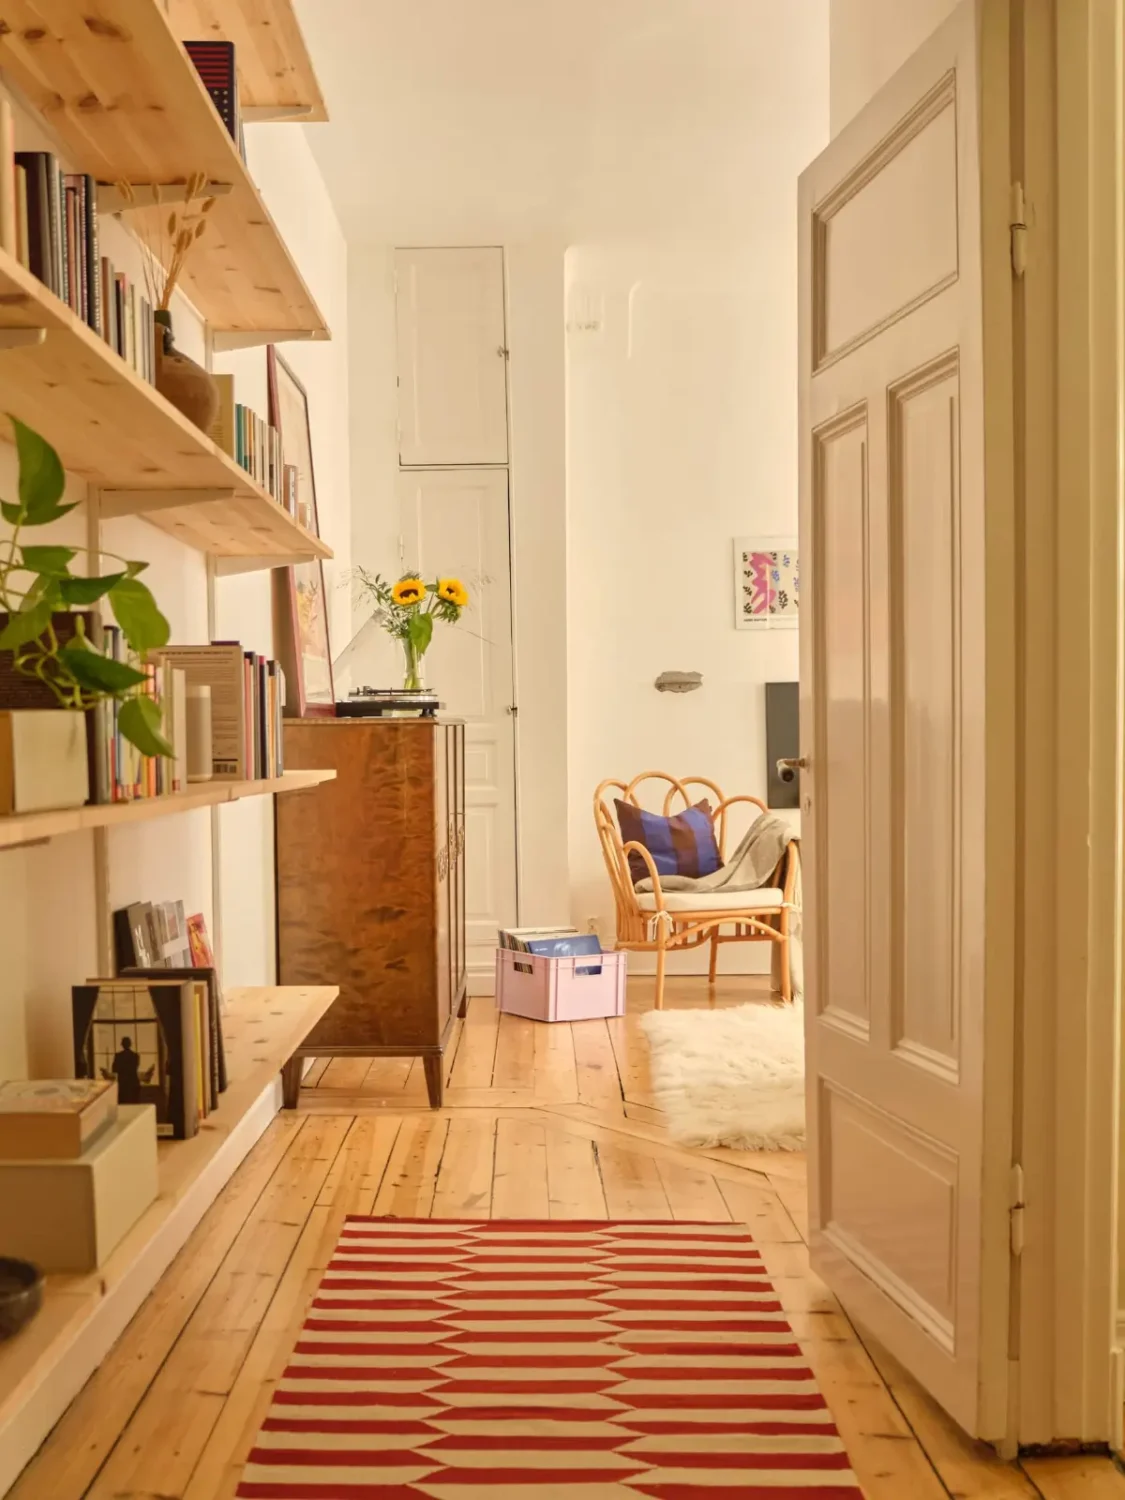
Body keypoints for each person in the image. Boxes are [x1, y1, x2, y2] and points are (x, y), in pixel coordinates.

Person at [112, 1036, 142, 1104]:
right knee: (134, 1103)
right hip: (133, 1081)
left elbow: (114, 1069)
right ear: (130, 1044)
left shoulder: (118, 1056)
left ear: (122, 1044)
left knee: (123, 1104)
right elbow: (135, 1067)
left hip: (123, 1083)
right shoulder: (135, 1056)